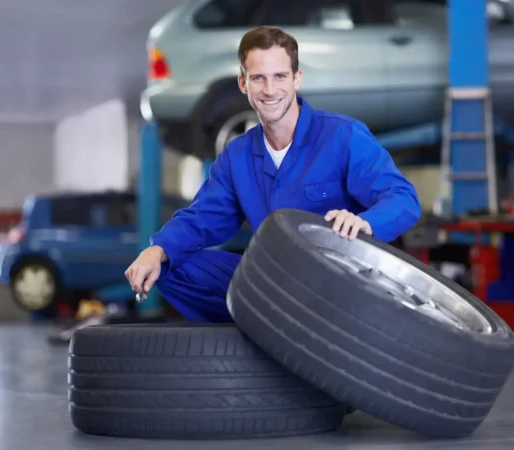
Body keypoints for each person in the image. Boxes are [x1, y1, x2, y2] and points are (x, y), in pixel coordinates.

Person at [125, 26, 421, 322]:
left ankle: (283, 327)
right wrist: (158, 249)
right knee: (170, 267)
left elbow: (403, 200)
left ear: (297, 78)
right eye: (258, 78)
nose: (269, 90)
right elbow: (202, 218)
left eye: (280, 76)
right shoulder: (237, 156)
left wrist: (365, 223)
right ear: (243, 83)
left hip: (341, 283)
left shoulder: (343, 136)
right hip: (277, 278)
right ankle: (263, 333)